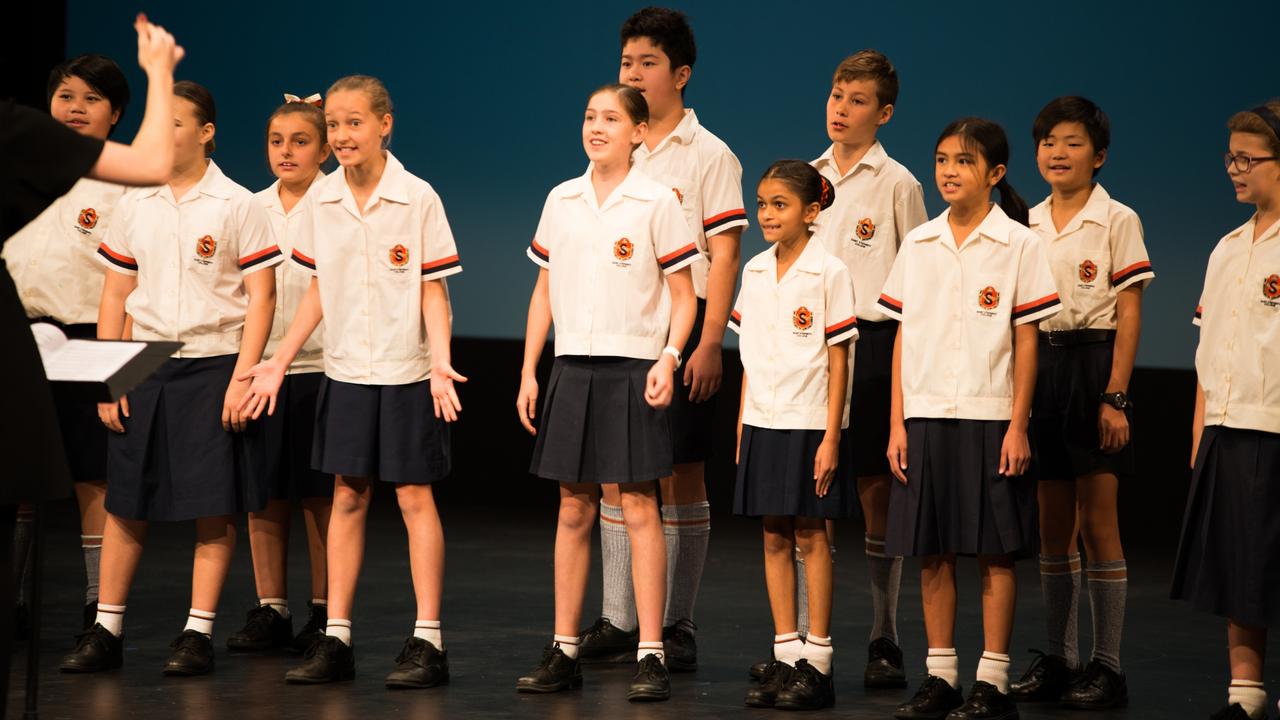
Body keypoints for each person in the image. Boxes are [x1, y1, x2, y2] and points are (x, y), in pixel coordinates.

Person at [238, 75, 464, 690]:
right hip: (345, 371)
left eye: (354, 123)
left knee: (415, 499)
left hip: (407, 371)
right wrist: (279, 360)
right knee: (346, 496)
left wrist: (439, 360)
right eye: (334, 124)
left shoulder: (417, 197)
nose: (341, 135)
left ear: (384, 124)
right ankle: (335, 637)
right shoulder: (323, 200)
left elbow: (432, 290)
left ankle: (428, 640)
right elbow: (318, 289)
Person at [513, 84, 696, 703]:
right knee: (572, 506)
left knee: (640, 506)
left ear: (638, 133)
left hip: (633, 366)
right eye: (590, 116)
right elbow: (543, 291)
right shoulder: (561, 199)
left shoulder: (656, 201)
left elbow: (684, 293)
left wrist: (670, 357)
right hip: (572, 365)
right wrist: (529, 370)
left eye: (611, 119)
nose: (597, 127)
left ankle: (651, 651)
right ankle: (563, 648)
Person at [882, 118, 1061, 720]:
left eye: (962, 161)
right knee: (931, 551)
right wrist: (896, 423)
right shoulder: (920, 243)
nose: (948, 171)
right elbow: (903, 338)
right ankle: (941, 676)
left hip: (990, 416)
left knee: (994, 552)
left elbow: (1027, 341)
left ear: (996, 173)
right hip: (926, 415)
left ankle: (994, 680)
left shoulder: (1020, 244)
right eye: (940, 160)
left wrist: (1018, 425)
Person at [732, 160, 856, 711]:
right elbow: (749, 358)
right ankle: (785, 654)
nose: (766, 214)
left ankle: (818, 660)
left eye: (779, 204)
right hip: (764, 418)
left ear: (810, 212)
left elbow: (838, 359)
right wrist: (742, 426)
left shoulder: (830, 272)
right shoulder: (755, 271)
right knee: (773, 535)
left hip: (810, 423)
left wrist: (832, 436)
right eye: (761, 203)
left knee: (812, 535)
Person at [1171, 100, 1280, 720]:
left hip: (1275, 424)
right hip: (1227, 430)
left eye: (1248, 158)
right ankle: (1245, 694)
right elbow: (1209, 348)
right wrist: (1198, 432)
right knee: (1239, 563)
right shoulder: (1227, 248)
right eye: (1230, 157)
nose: (1235, 169)